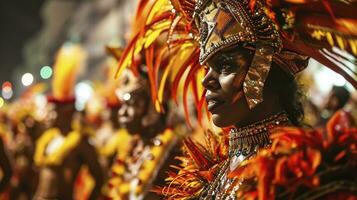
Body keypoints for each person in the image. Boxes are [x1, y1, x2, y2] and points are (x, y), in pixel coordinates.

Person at [117, 0, 357, 199]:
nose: (206, 81)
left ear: (263, 66)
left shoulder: (308, 173)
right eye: (207, 69)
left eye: (225, 65)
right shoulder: (209, 175)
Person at [33, 43, 104, 200]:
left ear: (66, 113)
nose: (48, 116)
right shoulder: (48, 139)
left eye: (53, 112)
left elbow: (99, 177)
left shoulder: (81, 143)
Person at [105, 69, 179, 200]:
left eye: (131, 104)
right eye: (122, 105)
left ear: (152, 107)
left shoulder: (174, 152)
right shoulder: (132, 148)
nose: (122, 113)